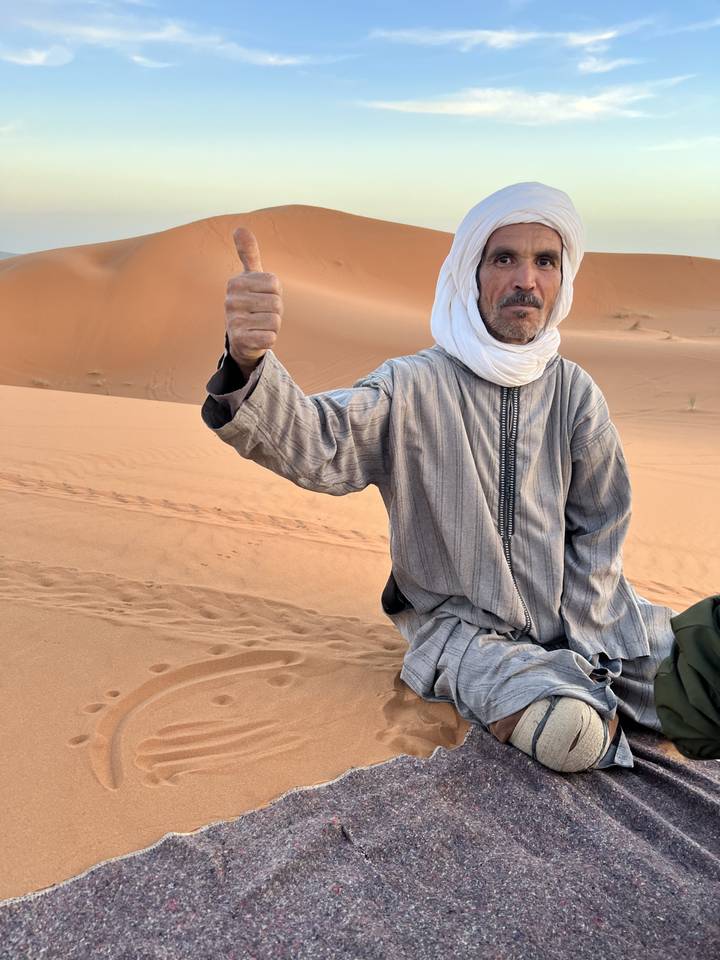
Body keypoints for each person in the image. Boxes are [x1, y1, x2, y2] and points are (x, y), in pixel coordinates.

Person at [200, 181, 679, 773]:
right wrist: (247, 361)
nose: (526, 280)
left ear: (562, 279)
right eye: (504, 259)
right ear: (471, 274)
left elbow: (601, 523)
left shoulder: (575, 394)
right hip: (464, 632)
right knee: (568, 732)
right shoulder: (412, 387)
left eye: (544, 261)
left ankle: (587, 677)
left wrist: (588, 635)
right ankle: (562, 693)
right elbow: (317, 443)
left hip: (589, 619)